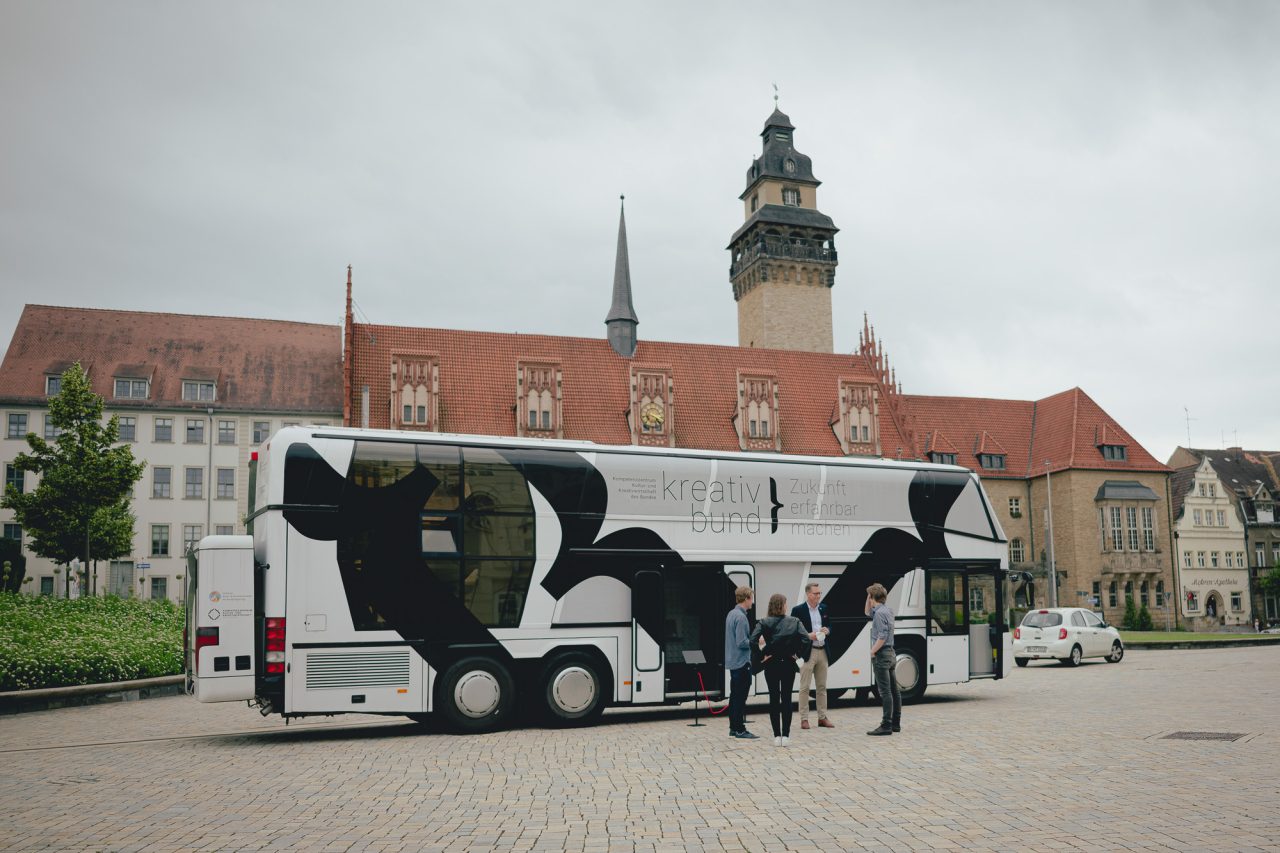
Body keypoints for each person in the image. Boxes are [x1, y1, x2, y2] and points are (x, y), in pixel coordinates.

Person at [750, 593, 808, 746]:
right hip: (789, 663)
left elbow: (752, 640)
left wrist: (762, 654)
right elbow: (806, 639)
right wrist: (797, 655)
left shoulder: (764, 622)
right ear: (783, 605)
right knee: (787, 698)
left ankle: (777, 735)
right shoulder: (794, 621)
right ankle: (786, 735)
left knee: (774, 698)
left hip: (771, 663)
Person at [792, 582, 833, 730]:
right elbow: (793, 632)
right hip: (807, 653)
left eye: (819, 593)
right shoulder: (798, 610)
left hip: (823, 651)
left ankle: (822, 717)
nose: (819, 596)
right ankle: (804, 719)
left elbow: (830, 625)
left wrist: (827, 630)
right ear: (808, 594)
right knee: (805, 687)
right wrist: (808, 636)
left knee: (822, 687)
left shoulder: (824, 608)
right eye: (816, 594)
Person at [865, 582, 901, 736]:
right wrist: (869, 597)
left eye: (870, 597)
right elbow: (867, 612)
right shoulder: (887, 610)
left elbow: (882, 635)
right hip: (891, 653)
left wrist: (872, 651)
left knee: (885, 692)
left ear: (873, 597)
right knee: (894, 690)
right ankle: (896, 723)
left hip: (882, 654)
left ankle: (886, 724)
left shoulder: (879, 614)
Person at [725, 586, 758, 739]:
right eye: (751, 598)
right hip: (742, 662)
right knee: (740, 697)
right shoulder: (741, 617)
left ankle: (733, 727)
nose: (753, 601)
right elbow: (742, 642)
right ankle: (739, 729)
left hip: (733, 662)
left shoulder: (731, 614)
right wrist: (756, 641)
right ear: (746, 599)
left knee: (734, 696)